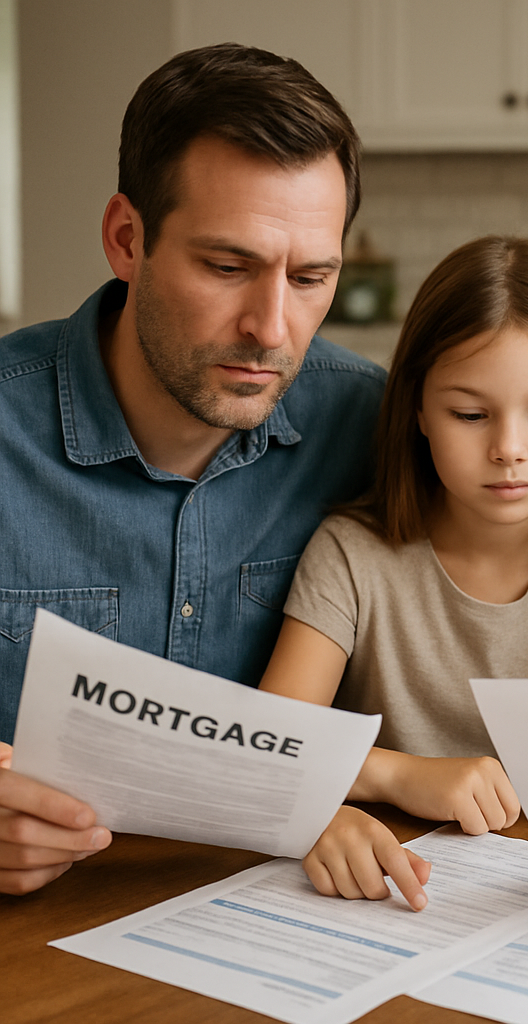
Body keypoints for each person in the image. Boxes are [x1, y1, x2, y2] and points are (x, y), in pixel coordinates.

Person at [0, 43, 385, 894]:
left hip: (280, 918)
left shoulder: (375, 426)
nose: (272, 328)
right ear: (127, 239)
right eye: (227, 266)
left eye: (312, 276)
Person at [259, 235, 528, 910]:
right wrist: (401, 777)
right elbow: (269, 746)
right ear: (417, 411)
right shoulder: (351, 553)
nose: (509, 450)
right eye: (470, 414)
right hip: (395, 893)